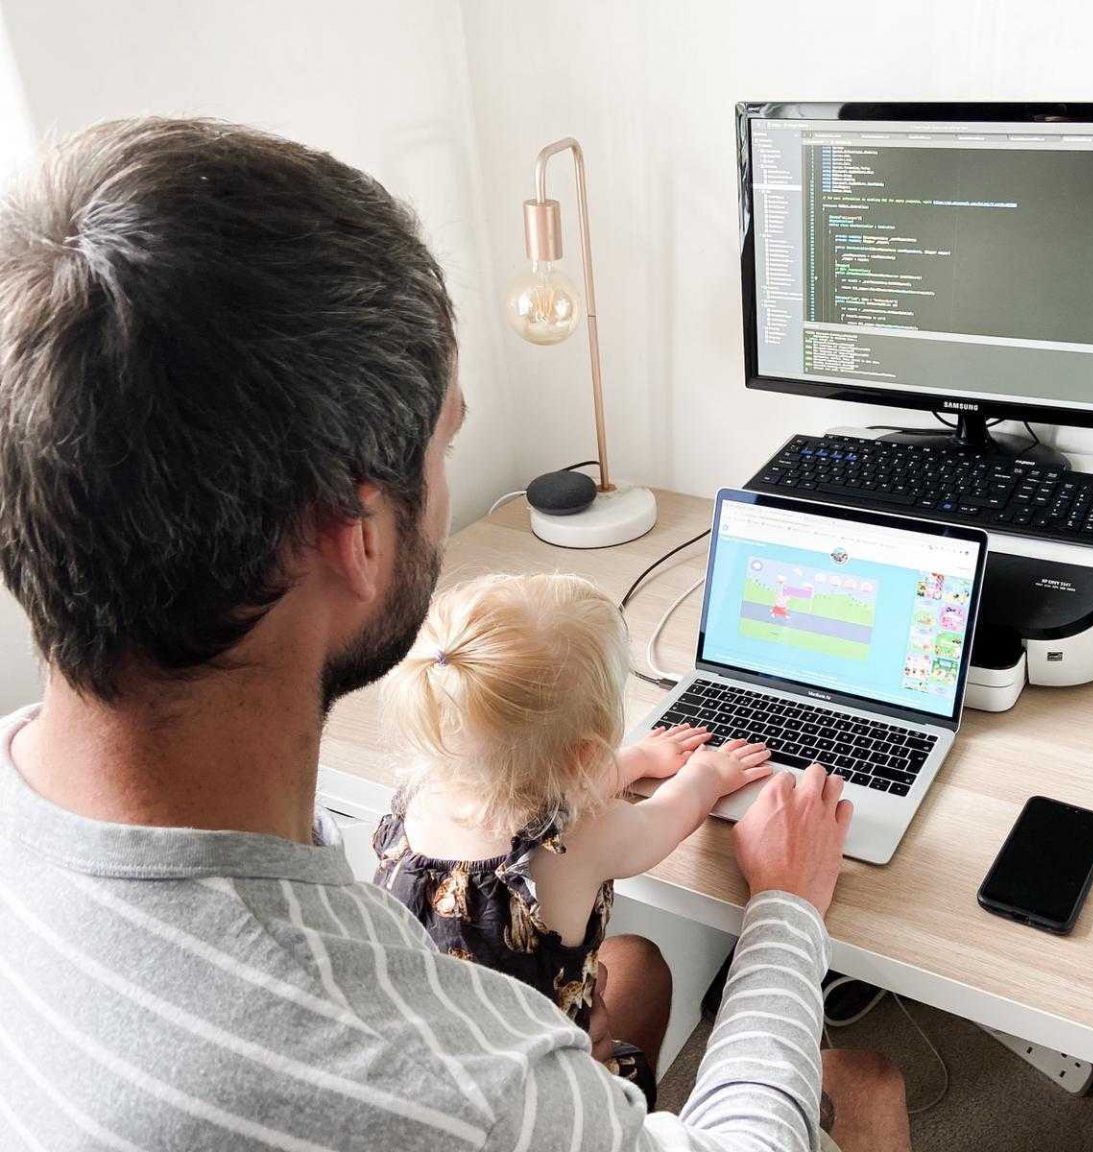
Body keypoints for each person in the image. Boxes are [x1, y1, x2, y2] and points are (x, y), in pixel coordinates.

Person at [0, 117, 911, 1151]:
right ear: (356, 537)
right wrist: (787, 909)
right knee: (864, 1082)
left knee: (642, 976)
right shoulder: (449, 1086)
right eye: (446, 443)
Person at [370, 571, 776, 1108]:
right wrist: (709, 775)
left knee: (633, 963)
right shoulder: (581, 839)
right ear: (585, 757)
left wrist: (634, 760)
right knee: (641, 973)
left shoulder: (419, 797)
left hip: (447, 1063)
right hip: (553, 1097)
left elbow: (529, 791)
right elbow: (665, 819)